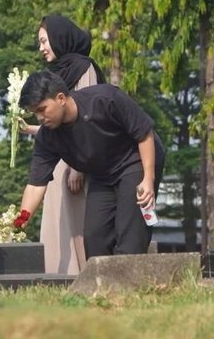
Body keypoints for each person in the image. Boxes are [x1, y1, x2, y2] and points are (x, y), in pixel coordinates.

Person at [17, 71, 165, 259]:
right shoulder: (48, 137)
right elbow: (36, 184)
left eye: (42, 109)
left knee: (130, 234)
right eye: (34, 113)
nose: (39, 118)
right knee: (95, 238)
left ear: (61, 98)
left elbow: (144, 133)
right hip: (102, 175)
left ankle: (129, 287)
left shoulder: (105, 98)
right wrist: (22, 218)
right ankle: (102, 287)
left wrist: (148, 178)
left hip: (136, 160)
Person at [19, 14, 105, 275]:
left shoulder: (83, 68)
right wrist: (31, 129)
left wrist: (77, 168)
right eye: (40, 43)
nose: (42, 48)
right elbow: (56, 124)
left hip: (76, 162)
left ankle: (82, 273)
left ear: (59, 38)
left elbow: (87, 121)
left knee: (76, 220)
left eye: (45, 41)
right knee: (57, 221)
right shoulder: (55, 74)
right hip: (59, 162)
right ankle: (59, 274)